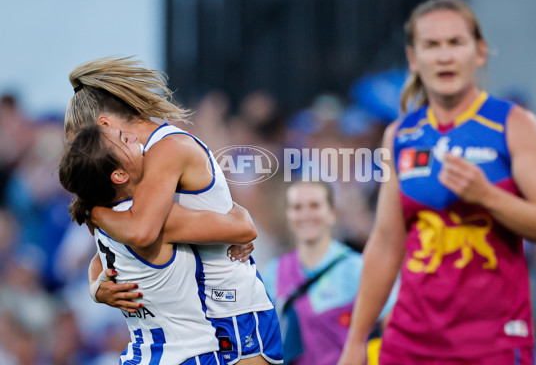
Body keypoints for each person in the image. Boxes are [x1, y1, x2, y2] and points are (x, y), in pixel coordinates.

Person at [338, 0, 536, 365]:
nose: (444, 55)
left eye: (455, 43)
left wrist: (487, 196)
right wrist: (355, 342)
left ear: (479, 53)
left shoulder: (514, 126)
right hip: (407, 344)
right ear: (414, 59)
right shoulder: (399, 135)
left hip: (492, 345)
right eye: (432, 45)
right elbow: (385, 244)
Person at [64, 56, 283, 365]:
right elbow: (109, 251)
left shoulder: (165, 150)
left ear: (103, 125)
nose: (84, 158)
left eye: (84, 144)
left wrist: (94, 213)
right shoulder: (129, 175)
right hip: (179, 327)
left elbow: (142, 231)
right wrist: (96, 288)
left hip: (231, 314)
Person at [59, 124, 257, 364]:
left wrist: (95, 288)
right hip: (188, 354)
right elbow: (245, 228)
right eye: (124, 139)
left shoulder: (107, 217)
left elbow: (99, 260)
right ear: (119, 175)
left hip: (141, 355)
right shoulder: (155, 220)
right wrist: (230, 210)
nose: (133, 136)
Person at [263, 181, 396, 365]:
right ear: (288, 215)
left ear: (332, 214)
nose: (305, 214)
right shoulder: (274, 272)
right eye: (297, 207)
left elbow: (393, 328)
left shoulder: (357, 268)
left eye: (314, 205)